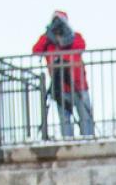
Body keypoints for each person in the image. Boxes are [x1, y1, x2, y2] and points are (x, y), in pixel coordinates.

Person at [33, 10, 96, 138]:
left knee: (85, 118)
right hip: (60, 87)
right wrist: (48, 35)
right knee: (65, 119)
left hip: (79, 85)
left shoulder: (75, 37)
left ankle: (88, 139)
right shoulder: (48, 42)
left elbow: (81, 46)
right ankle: (68, 141)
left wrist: (67, 35)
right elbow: (36, 50)